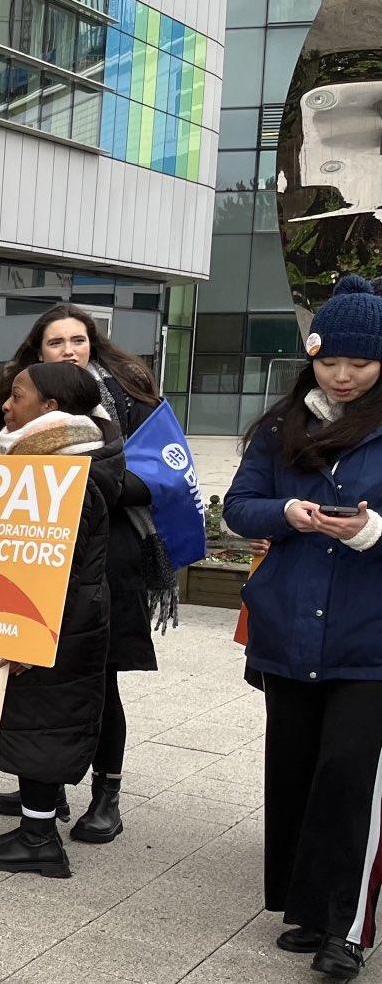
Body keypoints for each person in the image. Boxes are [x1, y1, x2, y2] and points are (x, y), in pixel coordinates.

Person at [223, 274, 382, 980]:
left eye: (359, 362)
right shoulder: (283, 424)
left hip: (368, 637)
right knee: (296, 770)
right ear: (310, 358)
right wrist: (283, 515)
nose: (342, 375)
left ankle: (346, 927)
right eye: (328, 361)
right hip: (290, 628)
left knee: (350, 775)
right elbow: (239, 505)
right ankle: (307, 907)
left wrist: (373, 529)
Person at [0, 303, 171, 840]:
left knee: (99, 679)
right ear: (38, 354)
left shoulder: (129, 400)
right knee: (46, 680)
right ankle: (45, 789)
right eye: (56, 342)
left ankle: (105, 795)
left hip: (106, 560)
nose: (69, 349)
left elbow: (155, 479)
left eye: (78, 339)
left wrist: (82, 479)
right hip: (44, 558)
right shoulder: (23, 405)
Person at [0, 361, 120, 879]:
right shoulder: (23, 466)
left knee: (43, 725)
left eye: (17, 396)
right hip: (36, 620)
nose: (5, 405)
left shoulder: (71, 477)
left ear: (51, 409)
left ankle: (40, 839)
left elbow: (66, 569)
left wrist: (33, 634)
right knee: (29, 723)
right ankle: (35, 826)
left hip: (58, 627)